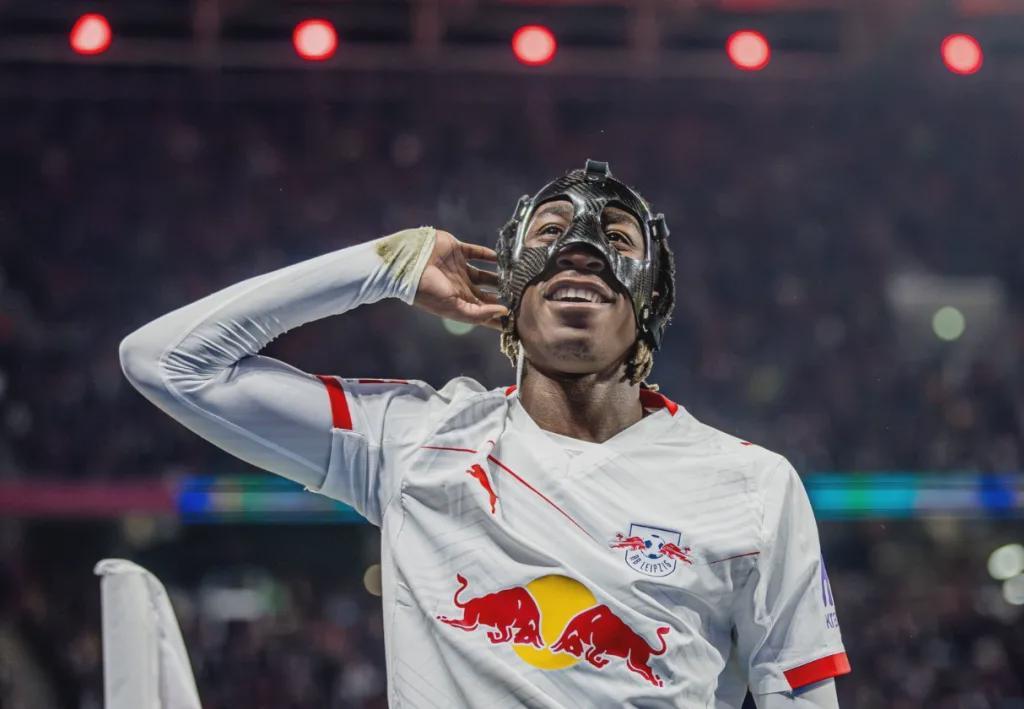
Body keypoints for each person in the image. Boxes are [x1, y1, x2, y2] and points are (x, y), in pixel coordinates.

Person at [119, 159, 850, 707]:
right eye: (551, 233)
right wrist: (384, 266)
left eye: (615, 238)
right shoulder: (411, 441)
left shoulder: (754, 485)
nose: (581, 247)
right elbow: (167, 363)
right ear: (510, 284)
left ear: (651, 296)